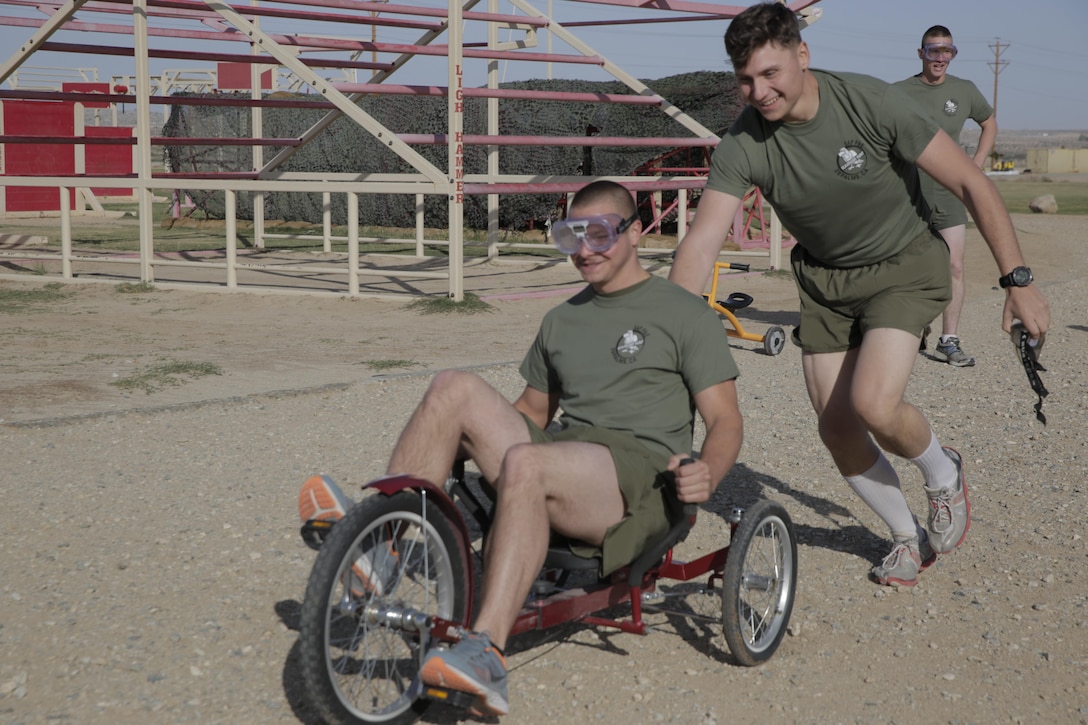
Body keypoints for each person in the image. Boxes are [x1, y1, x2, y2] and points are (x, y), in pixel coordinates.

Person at [300, 179, 744, 717]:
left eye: (599, 234)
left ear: (635, 231)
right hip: (563, 456)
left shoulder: (684, 314)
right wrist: (455, 436)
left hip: (638, 479)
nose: (584, 251)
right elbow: (531, 413)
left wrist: (708, 472)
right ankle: (383, 548)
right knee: (452, 388)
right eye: (571, 236)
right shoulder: (562, 319)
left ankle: (486, 651)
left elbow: (725, 420)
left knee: (527, 462)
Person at [669, 3, 1049, 587]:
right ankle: (906, 537)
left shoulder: (868, 101)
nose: (759, 91)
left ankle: (941, 471)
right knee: (838, 427)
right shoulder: (744, 142)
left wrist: (1017, 282)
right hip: (825, 281)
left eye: (771, 74)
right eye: (745, 78)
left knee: (874, 403)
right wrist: (668, 336)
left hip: (902, 265)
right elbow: (700, 244)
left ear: (802, 55)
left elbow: (970, 181)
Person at [894, 25, 998, 367]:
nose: (940, 58)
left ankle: (948, 340)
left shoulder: (964, 90)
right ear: (920, 53)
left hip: (951, 192)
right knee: (909, 266)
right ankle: (912, 326)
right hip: (909, 193)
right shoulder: (899, 92)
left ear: (952, 55)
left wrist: (976, 165)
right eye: (933, 51)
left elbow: (989, 122)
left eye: (947, 52)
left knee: (954, 265)